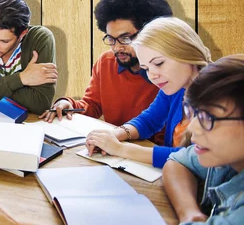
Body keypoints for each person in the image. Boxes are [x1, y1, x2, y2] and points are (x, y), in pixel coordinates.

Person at [0, 54, 244, 225]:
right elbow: (180, 161)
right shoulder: (221, 153)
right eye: (191, 113)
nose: (193, 129)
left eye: (207, 119)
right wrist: (189, 214)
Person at [85, 17, 212, 168]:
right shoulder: (176, 86)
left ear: (186, 52)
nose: (152, 75)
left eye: (158, 63)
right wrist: (116, 134)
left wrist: (121, 149)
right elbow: (149, 120)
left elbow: (195, 158)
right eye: (146, 68)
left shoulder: (219, 97)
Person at [41, 0, 172, 126]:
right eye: (111, 39)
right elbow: (93, 105)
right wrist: (68, 104)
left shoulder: (167, 70)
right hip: (116, 143)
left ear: (149, 33)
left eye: (125, 38)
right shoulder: (106, 62)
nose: (116, 47)